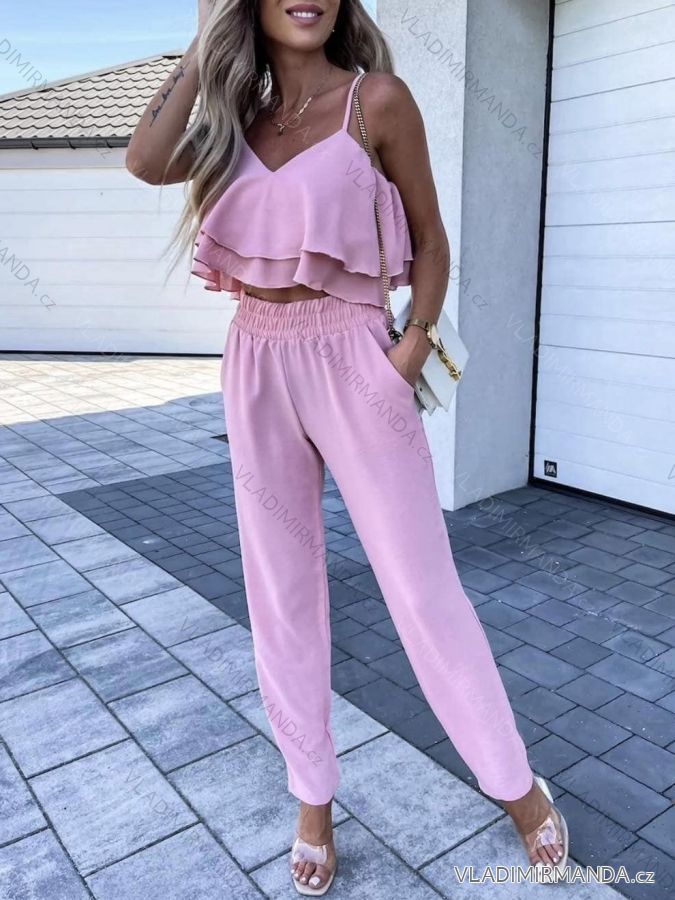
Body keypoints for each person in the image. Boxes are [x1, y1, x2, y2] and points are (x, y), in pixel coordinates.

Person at [126, 1, 569, 894]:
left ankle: (517, 787)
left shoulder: (378, 102)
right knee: (280, 592)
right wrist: (204, 41)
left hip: (355, 356)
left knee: (420, 588)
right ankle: (312, 796)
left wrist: (409, 350)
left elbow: (431, 241)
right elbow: (145, 160)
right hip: (256, 358)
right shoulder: (237, 117)